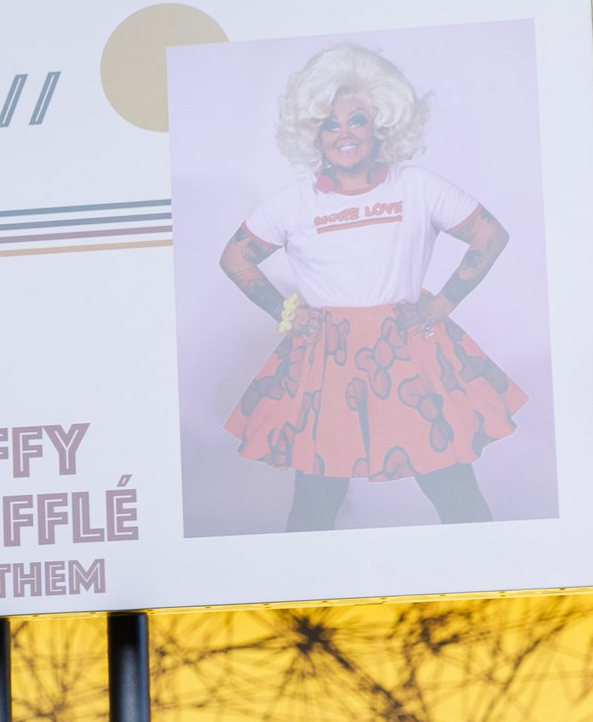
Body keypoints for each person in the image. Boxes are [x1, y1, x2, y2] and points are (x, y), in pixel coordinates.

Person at [217, 41, 525, 531]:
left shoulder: (416, 186)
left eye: (356, 120)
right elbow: (235, 257)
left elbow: (490, 235)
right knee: (316, 502)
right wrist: (286, 311)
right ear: (311, 133)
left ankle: (487, 578)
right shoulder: (292, 203)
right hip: (327, 358)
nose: (344, 134)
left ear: (380, 123)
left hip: (408, 350)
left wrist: (444, 302)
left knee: (454, 491)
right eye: (329, 124)